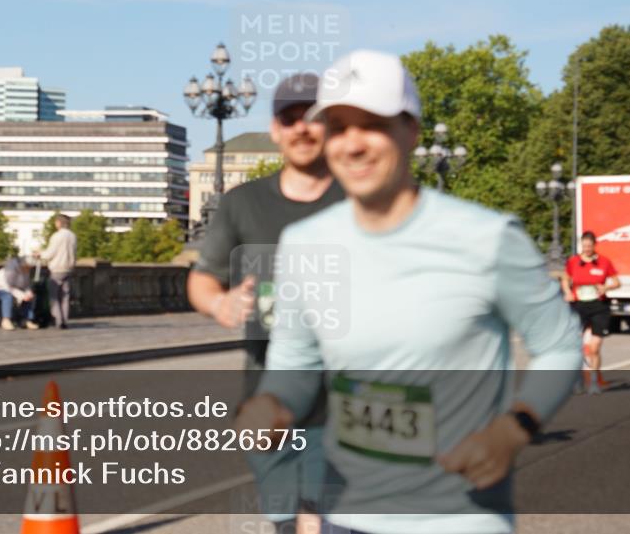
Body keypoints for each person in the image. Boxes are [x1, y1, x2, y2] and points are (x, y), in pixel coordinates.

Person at [237, 50, 582, 534]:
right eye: (337, 127)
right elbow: (296, 363)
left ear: (412, 131)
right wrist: (272, 405)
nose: (351, 144)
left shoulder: (487, 238)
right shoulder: (303, 245)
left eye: (371, 124)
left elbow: (560, 344)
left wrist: (514, 428)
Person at [188, 72, 345, 534]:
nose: (301, 128)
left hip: (344, 398)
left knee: (322, 519)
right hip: (267, 395)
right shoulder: (243, 204)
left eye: (313, 118)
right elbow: (200, 280)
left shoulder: (360, 199)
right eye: (289, 118)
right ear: (276, 130)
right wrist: (220, 304)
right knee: (283, 520)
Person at [563, 231, 619, 394]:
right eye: (584, 246)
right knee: (575, 346)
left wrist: (606, 287)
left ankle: (594, 381)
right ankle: (578, 380)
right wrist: (567, 291)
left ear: (595, 245)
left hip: (598, 306)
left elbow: (616, 281)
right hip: (579, 305)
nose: (587, 249)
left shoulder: (603, 262)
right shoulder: (574, 262)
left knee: (594, 347)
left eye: (590, 246)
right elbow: (566, 278)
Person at [35, 213, 77, 329]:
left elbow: (50, 253)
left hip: (57, 268)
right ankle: (65, 320)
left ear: (59, 223)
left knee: (54, 297)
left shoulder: (57, 236)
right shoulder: (73, 236)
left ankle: (58, 320)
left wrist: (40, 254)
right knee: (65, 297)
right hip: (69, 268)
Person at [0, 256, 37, 330]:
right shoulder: (11, 269)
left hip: (13, 289)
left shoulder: (26, 271)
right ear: (23, 265)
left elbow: (26, 285)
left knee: (29, 297)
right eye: (27, 267)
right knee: (7, 296)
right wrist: (22, 295)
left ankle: (27, 320)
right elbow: (8, 286)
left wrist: (28, 293)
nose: (28, 269)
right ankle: (6, 320)